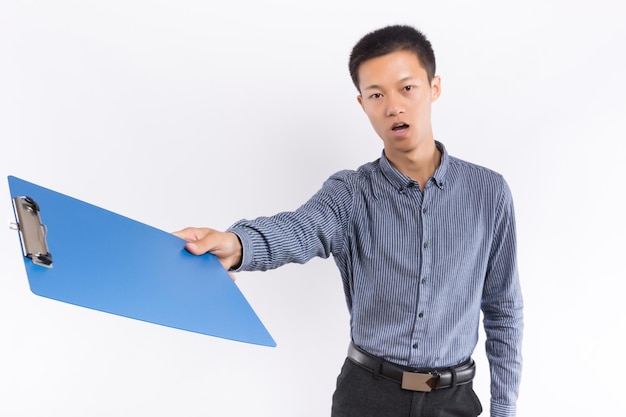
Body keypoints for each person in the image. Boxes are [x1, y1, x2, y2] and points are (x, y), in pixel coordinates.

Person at [174, 24, 523, 417]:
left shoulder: (488, 192)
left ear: (433, 87)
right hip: (367, 397)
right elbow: (300, 228)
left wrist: (504, 409)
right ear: (362, 104)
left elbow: (503, 307)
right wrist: (238, 245)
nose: (393, 106)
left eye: (407, 88)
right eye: (377, 94)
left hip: (453, 401)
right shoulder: (352, 192)